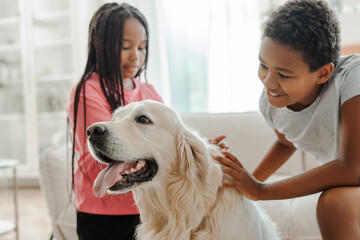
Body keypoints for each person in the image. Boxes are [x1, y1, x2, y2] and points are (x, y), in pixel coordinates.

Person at [213, 0, 360, 239]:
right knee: (336, 202)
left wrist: (261, 190)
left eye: (283, 74)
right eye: (263, 66)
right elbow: (285, 142)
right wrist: (246, 185)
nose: (268, 82)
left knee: (335, 204)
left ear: (323, 73)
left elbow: (352, 169)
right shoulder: (272, 102)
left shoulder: (353, 77)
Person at [67, 3, 163, 240]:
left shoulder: (149, 91)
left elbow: (167, 143)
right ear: (101, 45)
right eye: (125, 47)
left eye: (142, 47)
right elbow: (109, 149)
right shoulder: (87, 91)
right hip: (103, 214)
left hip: (148, 207)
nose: (136, 56)